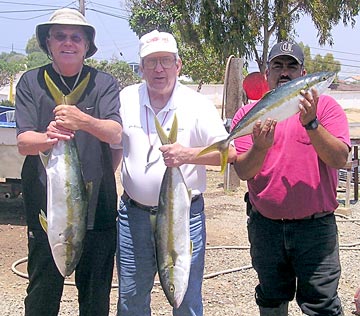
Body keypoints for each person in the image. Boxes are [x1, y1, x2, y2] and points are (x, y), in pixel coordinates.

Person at [116, 29, 237, 316]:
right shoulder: (125, 98)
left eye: (166, 61)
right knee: (131, 297)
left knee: (185, 298)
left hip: (185, 217)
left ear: (178, 65)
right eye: (152, 61)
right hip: (133, 215)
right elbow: (110, 143)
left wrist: (188, 155)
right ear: (141, 67)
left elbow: (229, 153)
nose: (159, 69)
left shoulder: (197, 105)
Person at [15, 8, 122, 316]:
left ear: (87, 45)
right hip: (46, 203)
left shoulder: (104, 83)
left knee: (95, 292)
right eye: (60, 36)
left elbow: (114, 131)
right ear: (48, 43)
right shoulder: (30, 82)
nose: (68, 43)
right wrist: (50, 137)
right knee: (42, 289)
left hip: (98, 204)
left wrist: (82, 120)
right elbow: (23, 143)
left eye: (76, 37)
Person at [232, 41, 350, 316]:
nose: (284, 72)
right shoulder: (248, 115)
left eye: (291, 66)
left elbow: (339, 159)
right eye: (278, 65)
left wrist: (312, 124)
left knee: (322, 304)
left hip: (315, 229)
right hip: (266, 228)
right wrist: (260, 147)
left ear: (303, 73)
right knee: (271, 300)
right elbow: (243, 172)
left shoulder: (327, 108)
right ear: (267, 73)